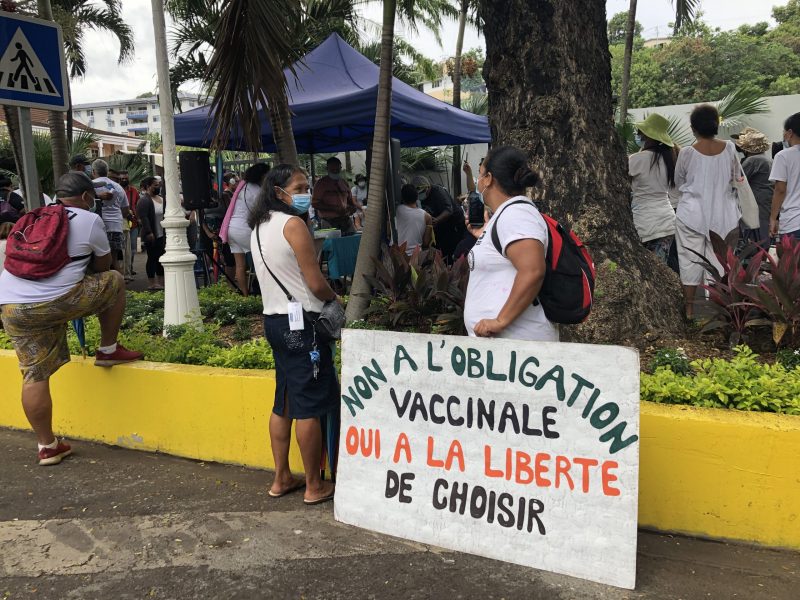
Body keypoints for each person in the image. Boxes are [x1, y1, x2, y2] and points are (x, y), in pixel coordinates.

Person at [0, 172, 143, 466]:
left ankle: (47, 446)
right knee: (114, 280)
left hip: (12, 304)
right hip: (56, 300)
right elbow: (103, 265)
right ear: (88, 197)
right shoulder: (89, 219)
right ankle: (107, 349)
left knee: (33, 375)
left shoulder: (32, 217)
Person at [249, 164, 339, 505]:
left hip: (274, 322)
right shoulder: (293, 225)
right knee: (309, 406)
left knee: (284, 400)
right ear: (278, 191)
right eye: (299, 187)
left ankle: (281, 476)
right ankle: (314, 485)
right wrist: (335, 297)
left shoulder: (258, 226)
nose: (306, 193)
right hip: (303, 324)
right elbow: (315, 283)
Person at [463, 146, 556, 342]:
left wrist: (500, 321)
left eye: (480, 175)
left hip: (517, 346)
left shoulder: (517, 215)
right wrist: (484, 236)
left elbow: (532, 271)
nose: (478, 182)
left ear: (488, 178)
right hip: (506, 347)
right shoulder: (508, 215)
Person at [674, 104, 741, 320]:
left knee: (689, 261)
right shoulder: (730, 148)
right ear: (717, 124)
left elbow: (679, 181)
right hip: (724, 215)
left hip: (691, 214)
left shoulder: (686, 153)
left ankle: (690, 310)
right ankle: (718, 313)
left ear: (693, 127)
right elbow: (736, 177)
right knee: (719, 264)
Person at [628, 113, 678, 266]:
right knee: (660, 271)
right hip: (667, 222)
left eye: (640, 133)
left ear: (647, 136)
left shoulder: (637, 159)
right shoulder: (669, 159)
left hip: (645, 223)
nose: (638, 136)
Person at [222, 162, 269, 296]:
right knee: (263, 260)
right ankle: (264, 293)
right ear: (262, 176)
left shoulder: (242, 187)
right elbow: (264, 211)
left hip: (232, 229)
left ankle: (245, 295)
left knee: (240, 265)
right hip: (245, 230)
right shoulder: (258, 191)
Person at [732, 127, 773, 248]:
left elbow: (738, 180)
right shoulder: (766, 158)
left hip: (757, 200)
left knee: (757, 233)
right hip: (765, 200)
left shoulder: (753, 160)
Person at [412, 174, 466, 262]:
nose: (421, 195)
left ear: (428, 187)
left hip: (454, 225)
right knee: (438, 251)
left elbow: (448, 210)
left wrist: (437, 220)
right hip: (440, 227)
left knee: (449, 251)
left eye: (423, 192)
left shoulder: (438, 191)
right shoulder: (420, 198)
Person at [92, 159, 130, 273]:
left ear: (94, 171)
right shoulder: (118, 187)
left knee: (99, 261)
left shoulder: (91, 186)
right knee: (114, 260)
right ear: (107, 171)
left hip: (97, 226)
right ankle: (120, 287)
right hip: (116, 226)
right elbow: (126, 209)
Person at [769, 112, 800, 241]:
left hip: (794, 221)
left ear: (790, 132)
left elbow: (780, 190)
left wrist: (773, 218)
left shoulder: (783, 156)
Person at [311, 157, 357, 234]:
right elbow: (315, 203)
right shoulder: (320, 184)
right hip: (328, 221)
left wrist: (352, 209)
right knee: (332, 244)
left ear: (340, 168)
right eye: (333, 170)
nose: (335, 172)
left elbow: (350, 202)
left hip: (346, 220)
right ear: (327, 169)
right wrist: (334, 208)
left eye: (337, 169)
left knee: (352, 241)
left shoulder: (344, 183)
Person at [136, 176, 166, 290]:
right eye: (155, 185)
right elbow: (143, 218)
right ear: (148, 187)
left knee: (161, 257)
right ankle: (152, 283)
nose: (158, 187)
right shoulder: (144, 200)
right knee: (152, 257)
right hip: (152, 234)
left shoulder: (161, 198)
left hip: (162, 234)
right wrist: (149, 232)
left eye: (158, 185)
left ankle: (161, 282)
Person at [396, 183, 432, 255]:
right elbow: (426, 243)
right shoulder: (427, 217)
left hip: (397, 256)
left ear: (402, 197)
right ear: (417, 197)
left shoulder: (397, 210)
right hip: (416, 257)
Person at [119, 170, 139, 273]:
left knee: (133, 248)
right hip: (121, 223)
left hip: (133, 223)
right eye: (122, 179)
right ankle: (124, 270)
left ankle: (130, 268)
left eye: (126, 178)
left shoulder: (134, 191)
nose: (124, 180)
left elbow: (138, 205)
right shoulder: (117, 191)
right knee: (123, 248)